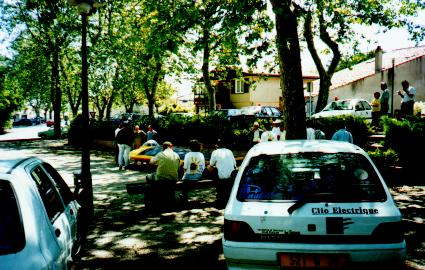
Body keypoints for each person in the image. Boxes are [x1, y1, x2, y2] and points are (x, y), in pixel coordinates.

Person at [146, 141, 181, 211]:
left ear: (163, 148)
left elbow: (151, 162)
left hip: (161, 179)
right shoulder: (177, 155)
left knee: (148, 176)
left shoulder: (160, 154)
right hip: (173, 178)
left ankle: (155, 198)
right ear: (171, 147)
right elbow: (178, 167)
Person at [208, 138, 237, 207]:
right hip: (231, 177)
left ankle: (220, 198)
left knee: (211, 169)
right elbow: (234, 164)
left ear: (217, 145)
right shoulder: (229, 151)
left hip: (220, 178)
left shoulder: (215, 152)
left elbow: (211, 164)